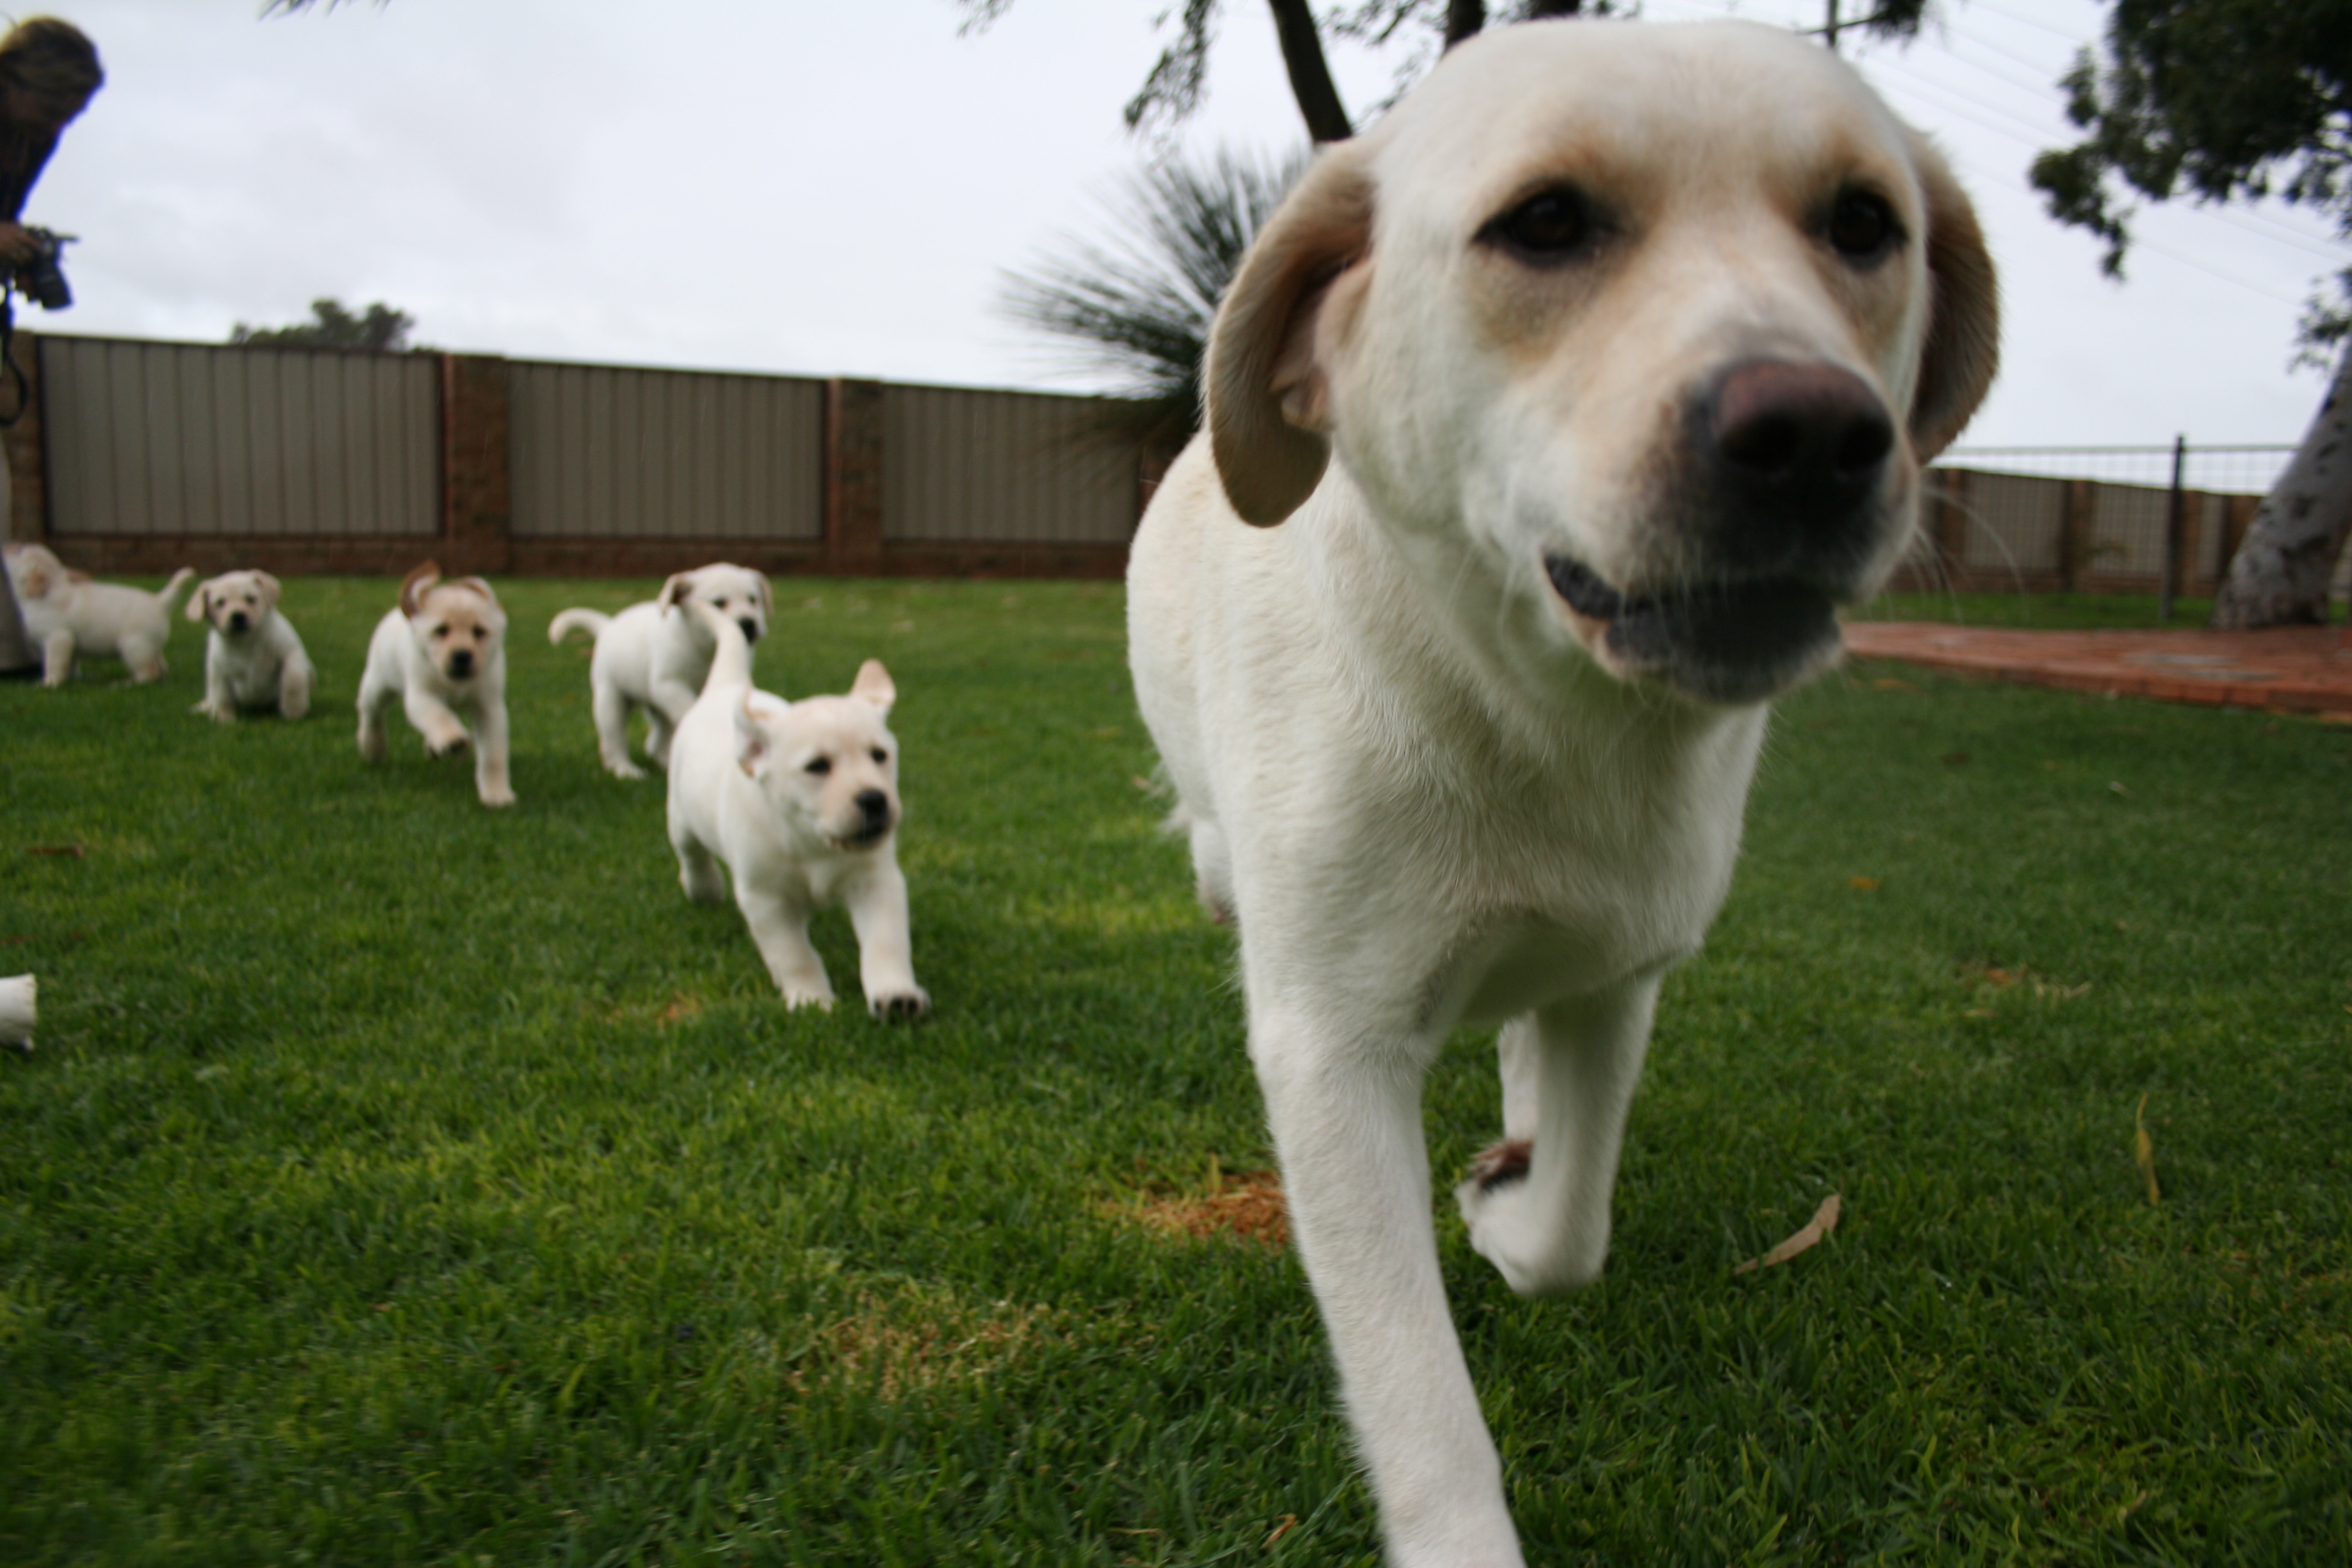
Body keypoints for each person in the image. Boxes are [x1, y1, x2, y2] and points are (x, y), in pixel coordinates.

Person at [0, 16, 99, 676]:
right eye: (53, 105)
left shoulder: (34, 138)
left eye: (74, 113)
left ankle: (7, 651)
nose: (60, 125)